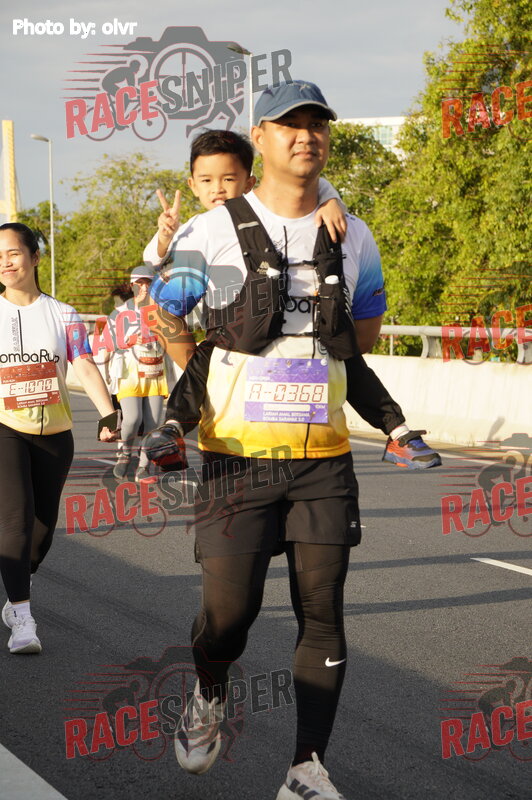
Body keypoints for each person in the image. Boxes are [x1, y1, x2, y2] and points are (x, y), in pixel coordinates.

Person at [142, 80, 399, 800]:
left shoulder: (354, 233)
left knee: (324, 611)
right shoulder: (210, 232)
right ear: (260, 138)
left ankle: (307, 768)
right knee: (230, 617)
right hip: (236, 460)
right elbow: (166, 311)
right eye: (289, 124)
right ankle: (209, 688)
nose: (305, 136)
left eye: (317, 124)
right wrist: (206, 367)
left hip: (323, 460)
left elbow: (365, 331)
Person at [146, 129, 441, 470]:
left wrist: (331, 198)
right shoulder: (201, 229)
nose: (218, 189)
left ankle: (398, 432)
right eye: (207, 180)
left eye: (229, 179)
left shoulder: (330, 222)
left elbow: (302, 186)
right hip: (230, 345)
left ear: (250, 182)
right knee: (203, 360)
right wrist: (164, 238)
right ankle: (172, 428)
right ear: (192, 185)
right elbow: (156, 284)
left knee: (347, 355)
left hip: (311, 358)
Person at [0, 223, 119, 654]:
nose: (5, 263)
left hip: (54, 433)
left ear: (34, 257)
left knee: (42, 529)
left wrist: (108, 411)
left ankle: (17, 583)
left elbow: (83, 364)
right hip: (6, 427)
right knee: (15, 519)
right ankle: (23, 618)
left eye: (13, 253)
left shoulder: (63, 314)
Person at [105, 265, 170, 482]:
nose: (144, 288)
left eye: (148, 283)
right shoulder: (119, 312)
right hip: (129, 372)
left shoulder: (163, 310)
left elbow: (175, 335)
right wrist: (130, 340)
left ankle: (143, 467)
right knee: (133, 418)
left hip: (155, 371)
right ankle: (125, 452)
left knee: (153, 423)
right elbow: (109, 342)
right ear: (132, 286)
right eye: (139, 284)